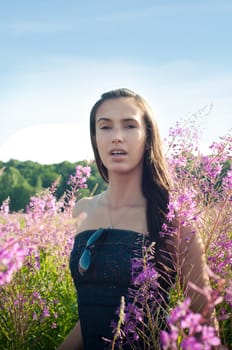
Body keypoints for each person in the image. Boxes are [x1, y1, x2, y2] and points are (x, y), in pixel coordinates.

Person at [57, 88, 216, 350]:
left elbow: (205, 326)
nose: (117, 137)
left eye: (130, 126)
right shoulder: (82, 209)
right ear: (95, 137)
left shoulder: (174, 220)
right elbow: (94, 315)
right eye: (105, 127)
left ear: (148, 136)